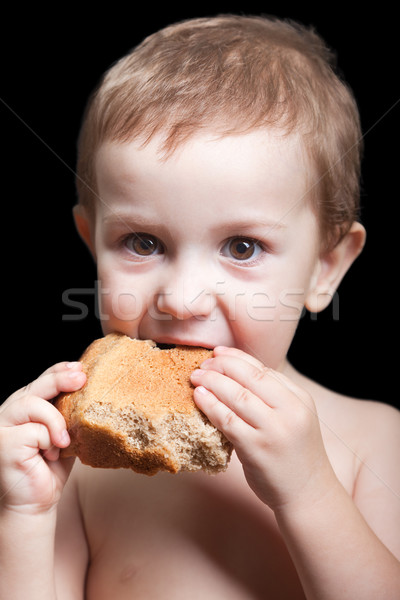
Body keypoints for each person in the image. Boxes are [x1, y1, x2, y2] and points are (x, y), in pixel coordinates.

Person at [1, 14, 399, 599]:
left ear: (325, 267)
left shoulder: (375, 442)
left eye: (243, 247)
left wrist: (310, 489)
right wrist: (23, 517)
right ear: (91, 243)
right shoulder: (77, 466)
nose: (182, 300)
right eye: (143, 243)